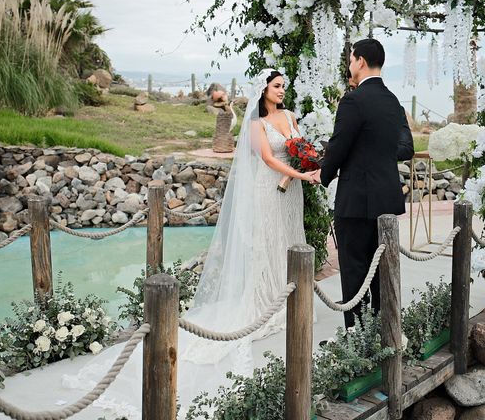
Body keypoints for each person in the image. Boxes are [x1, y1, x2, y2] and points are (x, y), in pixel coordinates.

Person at [61, 69, 316, 419]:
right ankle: (264, 302)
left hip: (292, 192)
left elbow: (300, 147)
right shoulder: (256, 124)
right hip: (269, 189)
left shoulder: (290, 116)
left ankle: (287, 299)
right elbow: (270, 160)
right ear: (264, 91)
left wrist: (308, 163)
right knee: (267, 244)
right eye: (276, 86)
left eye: (283, 86)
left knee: (289, 240)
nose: (281, 91)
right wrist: (302, 173)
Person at [311, 39, 414, 328]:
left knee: (355, 274)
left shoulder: (353, 100)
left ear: (360, 61)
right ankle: (385, 335)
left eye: (351, 58)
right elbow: (397, 146)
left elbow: (339, 146)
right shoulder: (393, 101)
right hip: (387, 200)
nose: (349, 64)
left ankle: (357, 340)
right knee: (383, 273)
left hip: (356, 201)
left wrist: (323, 174)